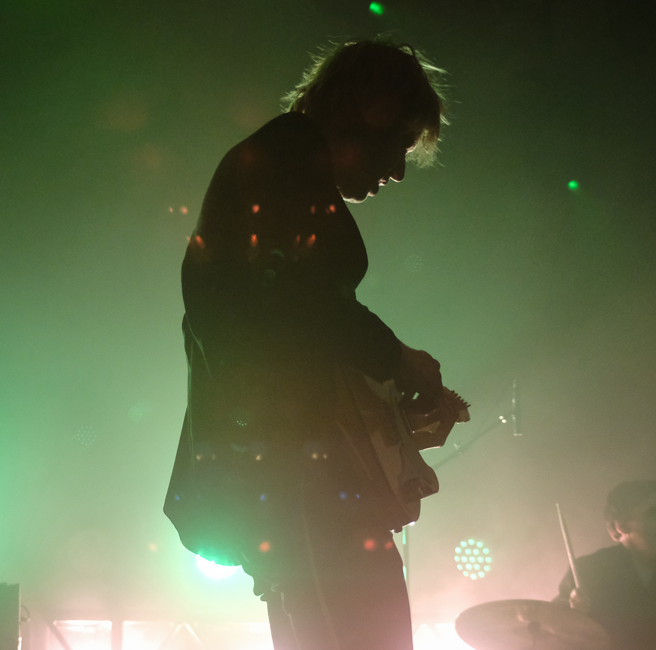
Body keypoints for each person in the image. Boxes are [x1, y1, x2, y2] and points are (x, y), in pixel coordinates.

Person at [163, 40, 449, 649]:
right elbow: (305, 307)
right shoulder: (282, 166)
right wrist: (400, 361)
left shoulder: (277, 163)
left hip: (291, 475)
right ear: (370, 110)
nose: (396, 171)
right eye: (398, 143)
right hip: (299, 477)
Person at [555, 481, 656, 650]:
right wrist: (575, 616)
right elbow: (550, 631)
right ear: (622, 525)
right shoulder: (587, 570)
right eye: (653, 513)